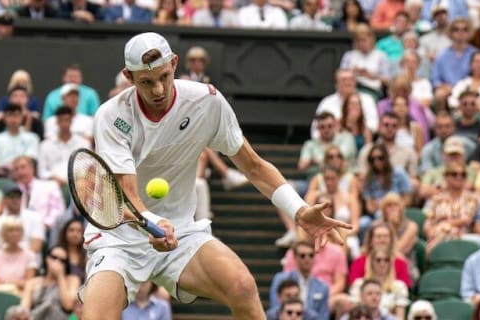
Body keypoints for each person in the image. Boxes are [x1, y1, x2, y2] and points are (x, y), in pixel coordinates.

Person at [81, 32, 350, 319]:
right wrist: (154, 223)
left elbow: (254, 166)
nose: (158, 90)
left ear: (174, 63)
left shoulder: (206, 103)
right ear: (129, 76)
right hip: (121, 238)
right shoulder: (112, 116)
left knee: (243, 287)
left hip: (180, 232)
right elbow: (128, 194)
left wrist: (299, 210)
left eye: (164, 76)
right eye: (146, 82)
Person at [269, 241, 329, 319]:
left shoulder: (323, 286)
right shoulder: (281, 279)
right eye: (302, 255)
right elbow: (274, 308)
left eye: (311, 255)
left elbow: (324, 316)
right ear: (295, 257)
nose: (307, 259)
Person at [20, 246, 80, 320]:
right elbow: (24, 309)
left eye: (62, 261)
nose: (57, 262)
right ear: (47, 258)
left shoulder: (72, 280)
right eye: (54, 257)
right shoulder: (33, 282)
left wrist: (60, 276)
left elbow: (68, 305)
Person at [315, 69, 379, 137]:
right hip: (332, 142)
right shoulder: (326, 102)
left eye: (351, 79)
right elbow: (315, 130)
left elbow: (373, 125)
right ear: (336, 84)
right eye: (344, 80)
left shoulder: (367, 99)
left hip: (361, 140)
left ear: (355, 82)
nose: (348, 82)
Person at [349, 222, 412, 288]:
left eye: (385, 236)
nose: (382, 240)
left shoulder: (400, 262)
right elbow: (354, 286)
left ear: (391, 240)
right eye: (378, 237)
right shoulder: (359, 262)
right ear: (371, 240)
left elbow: (404, 288)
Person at [0, 216, 38, 295]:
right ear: (4, 234)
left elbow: (29, 282)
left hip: (21, 294)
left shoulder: (30, 255)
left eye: (18, 230)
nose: (14, 233)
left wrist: (6, 283)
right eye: (10, 230)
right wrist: (16, 283)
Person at [0, 185, 45, 253]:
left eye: (18, 197)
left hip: (29, 261)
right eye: (11, 197)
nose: (15, 200)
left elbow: (36, 246)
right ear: (4, 200)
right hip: (3, 261)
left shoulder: (34, 217)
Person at [0, 104, 40, 175]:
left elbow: (29, 159)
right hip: (1, 175)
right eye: (9, 115)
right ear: (4, 118)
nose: (13, 119)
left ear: (22, 118)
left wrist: (12, 168)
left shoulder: (32, 138)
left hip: (23, 174)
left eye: (16, 115)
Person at [339, 24, 391, 93]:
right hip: (351, 89)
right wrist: (352, 72)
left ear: (371, 39)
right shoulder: (348, 55)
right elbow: (340, 76)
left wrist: (371, 76)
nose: (361, 43)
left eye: (364, 40)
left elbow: (387, 81)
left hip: (372, 90)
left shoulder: (381, 56)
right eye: (358, 41)